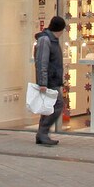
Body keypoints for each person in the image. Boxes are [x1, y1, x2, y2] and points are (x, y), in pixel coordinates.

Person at [33, 14, 66, 146]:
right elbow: (42, 62)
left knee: (48, 107)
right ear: (60, 29)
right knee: (58, 105)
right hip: (49, 80)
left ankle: (41, 134)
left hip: (52, 79)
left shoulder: (51, 40)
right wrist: (42, 82)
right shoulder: (46, 40)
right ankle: (43, 132)